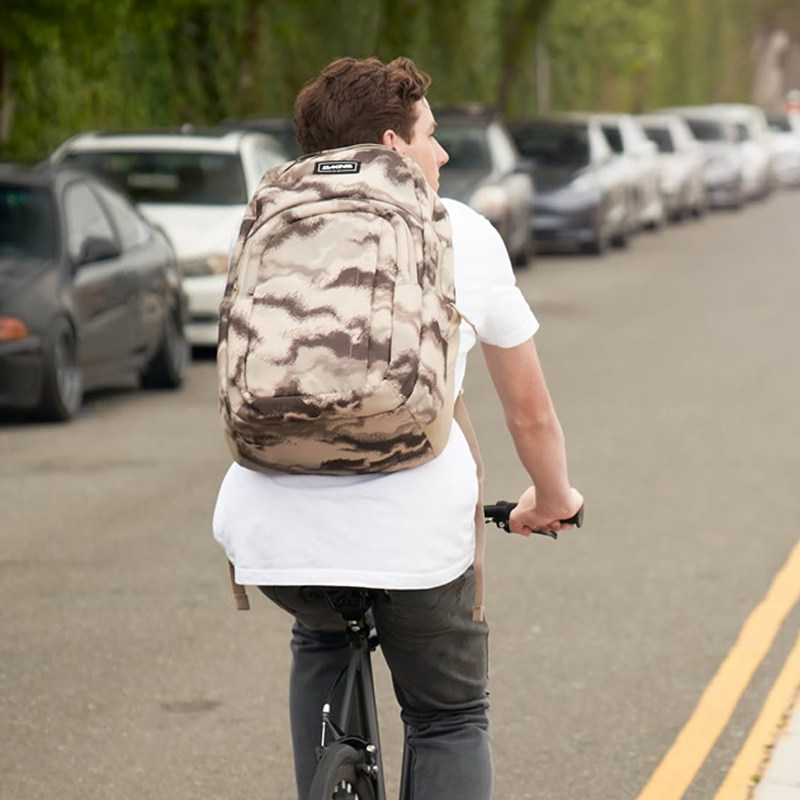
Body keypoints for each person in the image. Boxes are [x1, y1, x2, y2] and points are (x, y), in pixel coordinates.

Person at [212, 55, 583, 800]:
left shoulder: (264, 222)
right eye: (431, 135)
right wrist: (552, 499)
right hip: (413, 532)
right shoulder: (460, 230)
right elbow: (531, 411)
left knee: (319, 634)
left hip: (271, 528)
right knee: (449, 715)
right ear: (392, 143)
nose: (440, 154)